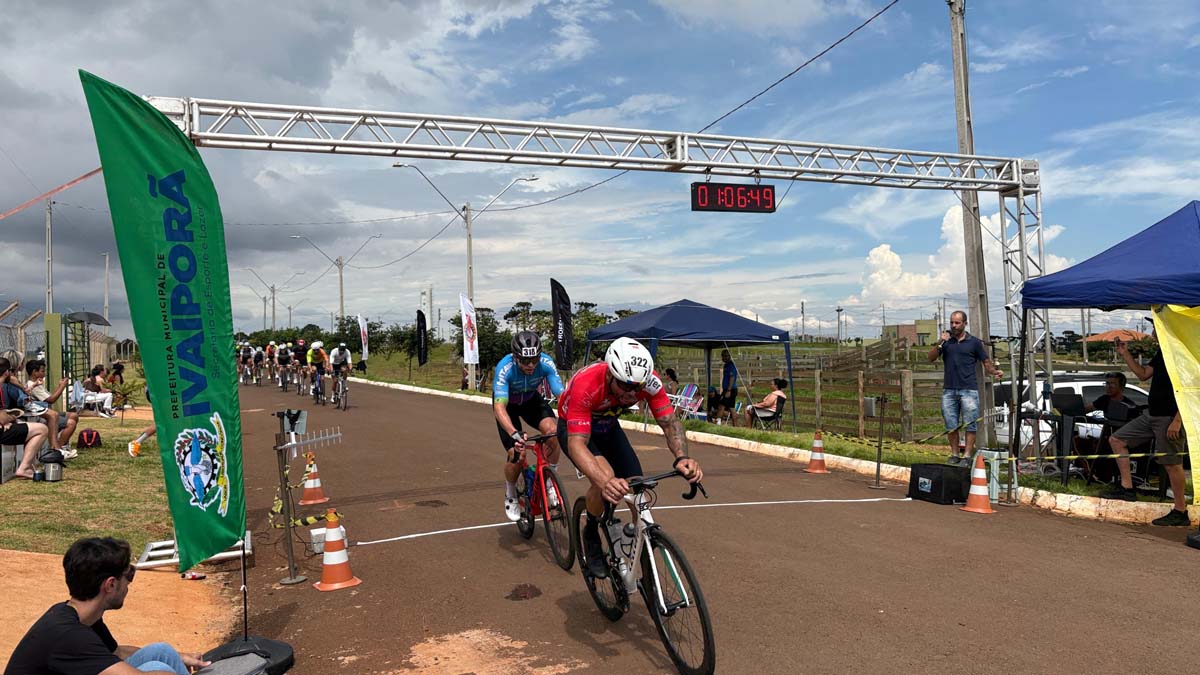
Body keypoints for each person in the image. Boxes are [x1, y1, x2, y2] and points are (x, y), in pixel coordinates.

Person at [558, 337, 702, 578]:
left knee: (637, 486)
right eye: (625, 386)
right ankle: (591, 531)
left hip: (608, 425)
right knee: (606, 478)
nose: (632, 393)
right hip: (576, 429)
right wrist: (604, 482)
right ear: (610, 375)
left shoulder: (649, 383)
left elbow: (669, 422)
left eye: (637, 387)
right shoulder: (587, 383)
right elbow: (577, 444)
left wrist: (681, 457)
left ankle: (641, 544)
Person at [5, 536, 210, 674]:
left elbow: (116, 653)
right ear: (110, 584)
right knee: (156, 666)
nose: (129, 583)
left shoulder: (78, 615)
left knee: (163, 652)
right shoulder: (70, 636)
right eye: (128, 575)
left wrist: (178, 657)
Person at [1104, 329, 1191, 526]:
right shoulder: (1162, 353)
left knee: (1171, 463)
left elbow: (1189, 389)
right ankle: (1127, 489)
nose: (1153, 334)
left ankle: (1180, 510)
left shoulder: (1181, 354)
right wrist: (1125, 353)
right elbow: (1143, 375)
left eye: (1155, 330)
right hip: (1152, 414)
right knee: (1117, 439)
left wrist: (1177, 420)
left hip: (1169, 417)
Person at [493, 331, 565, 521]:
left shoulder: (547, 364)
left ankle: (550, 482)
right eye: (525, 361)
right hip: (509, 406)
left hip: (531, 400)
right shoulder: (504, 368)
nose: (531, 365)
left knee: (554, 432)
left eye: (534, 359)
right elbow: (499, 407)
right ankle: (510, 493)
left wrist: (572, 419)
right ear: (515, 358)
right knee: (518, 453)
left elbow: (562, 396)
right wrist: (514, 433)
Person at [927, 310, 1002, 464]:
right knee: (951, 424)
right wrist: (940, 343)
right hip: (949, 390)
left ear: (964, 323)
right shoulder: (946, 342)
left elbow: (985, 361)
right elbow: (931, 358)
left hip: (968, 389)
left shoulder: (974, 342)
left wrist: (994, 372)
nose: (954, 326)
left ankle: (967, 455)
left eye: (957, 323)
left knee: (970, 423)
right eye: (952, 322)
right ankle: (954, 454)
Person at [2, 357, 72, 458]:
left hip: (24, 406)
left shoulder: (14, 379)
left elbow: (24, 392)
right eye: (21, 362)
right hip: (22, 408)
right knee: (53, 416)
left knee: (65, 416)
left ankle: (57, 447)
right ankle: (55, 448)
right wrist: (62, 386)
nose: (23, 364)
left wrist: (32, 387)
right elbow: (50, 399)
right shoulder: (11, 379)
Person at [25, 359, 80, 458]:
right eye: (42, 371)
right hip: (44, 417)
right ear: (34, 372)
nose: (44, 374)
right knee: (71, 423)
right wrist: (62, 386)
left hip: (48, 412)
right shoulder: (33, 386)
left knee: (74, 415)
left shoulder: (38, 384)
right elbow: (51, 399)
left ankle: (63, 445)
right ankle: (57, 448)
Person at [715, 349, 739, 425]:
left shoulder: (731, 365)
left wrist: (728, 390)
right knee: (731, 407)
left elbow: (732, 378)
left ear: (729, 356)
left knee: (721, 405)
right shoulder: (726, 365)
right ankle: (735, 425)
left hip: (730, 390)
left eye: (726, 356)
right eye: (723, 356)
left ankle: (718, 423)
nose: (724, 357)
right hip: (727, 389)